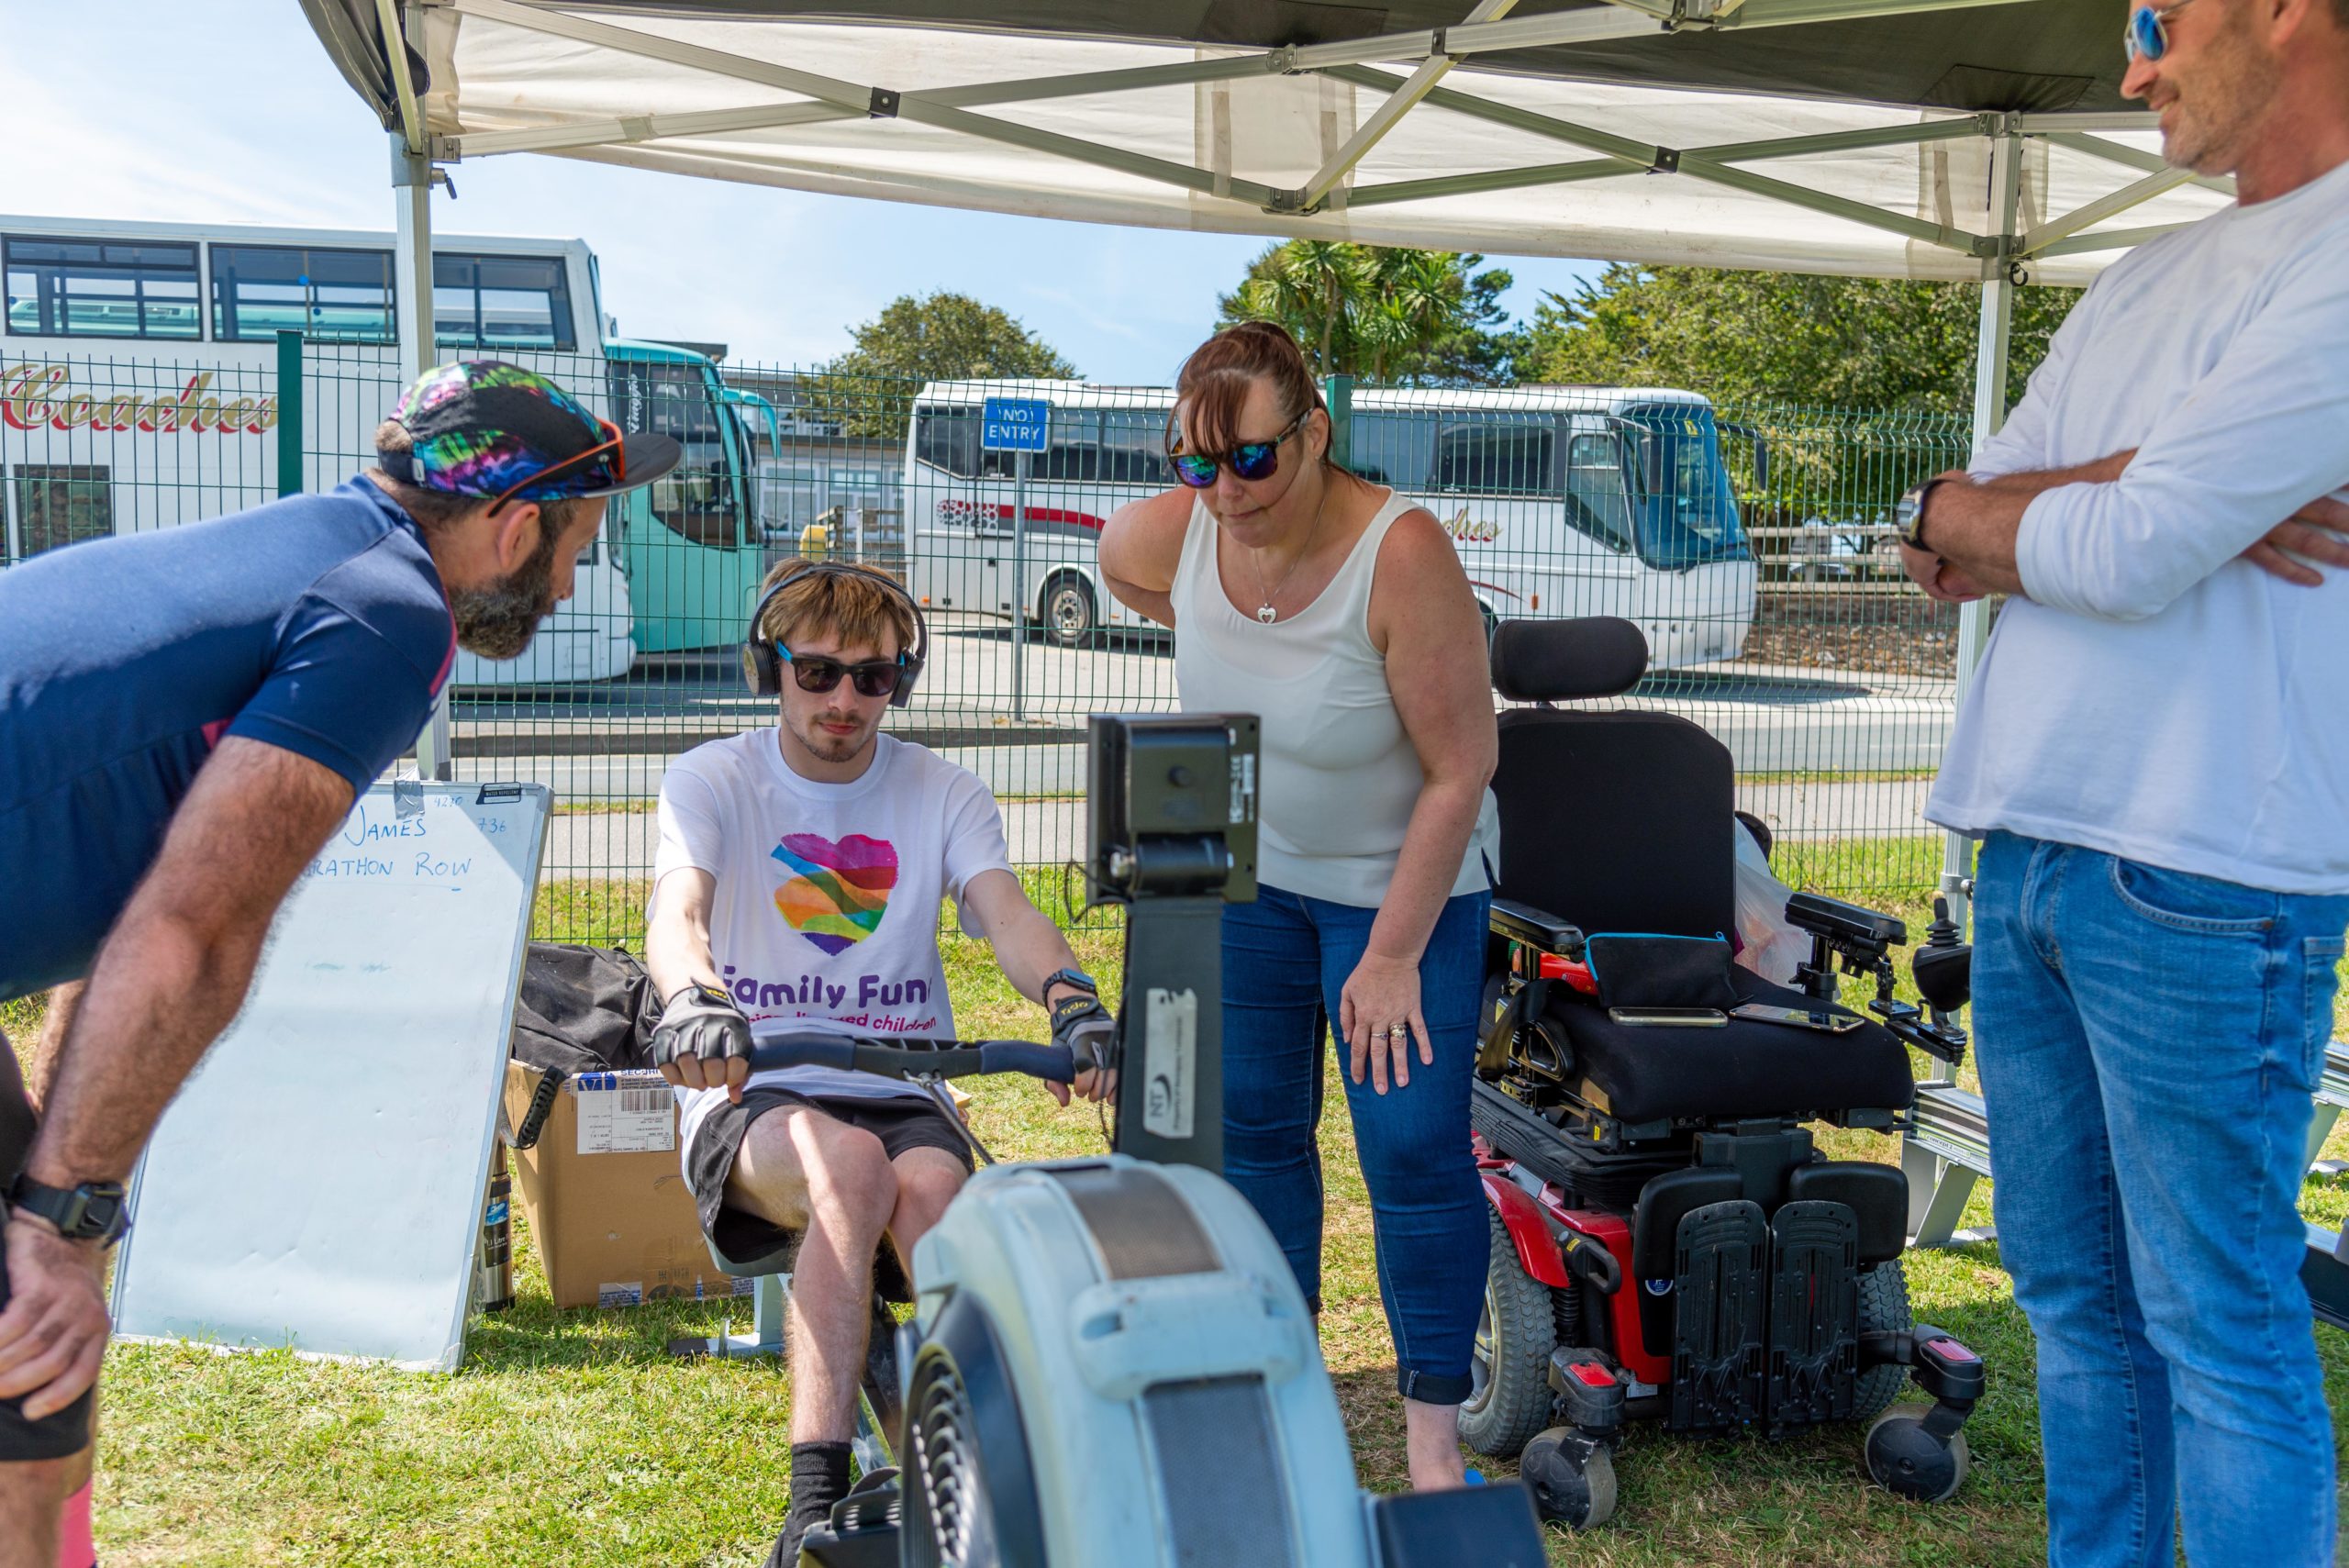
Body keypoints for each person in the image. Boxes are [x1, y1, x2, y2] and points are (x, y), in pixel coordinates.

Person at [0, 360, 681, 1566]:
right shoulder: (387, 612)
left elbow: (131, 907)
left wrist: (49, 1199)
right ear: (515, 524)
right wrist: (61, 1230)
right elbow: (195, 930)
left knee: (27, 1373)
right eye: (576, 545)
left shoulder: (304, 553)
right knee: (28, 1367)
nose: (571, 582)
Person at [1896, 2, 2349, 1561]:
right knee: (2076, 1304)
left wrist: (2099, 506)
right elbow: (1941, 533)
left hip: (2210, 868)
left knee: (2218, 1323)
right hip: (2030, 846)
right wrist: (2125, 485)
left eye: (2157, 18)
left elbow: (2131, 549)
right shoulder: (2144, 277)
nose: (2131, 67)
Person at [640, 558, 1113, 1567]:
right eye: (816, 672)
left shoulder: (942, 790)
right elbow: (678, 912)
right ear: (769, 667)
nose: (844, 700)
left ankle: (962, 1486)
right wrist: (693, 999)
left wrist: (1071, 999)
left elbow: (1005, 911)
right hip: (757, 1082)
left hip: (898, 1083)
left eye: (873, 677)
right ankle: (811, 1502)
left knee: (936, 1193)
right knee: (848, 1171)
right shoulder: (712, 778)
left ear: (902, 678)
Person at [1097, 322, 1499, 1491]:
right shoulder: (1189, 525)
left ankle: (1432, 1440)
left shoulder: (1402, 551)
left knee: (1410, 1148)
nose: (1226, 491)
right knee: (1256, 1140)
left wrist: (1392, 954)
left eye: (1252, 460)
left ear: (1315, 433)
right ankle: (1288, 1394)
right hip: (1253, 883)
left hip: (1401, 895)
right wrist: (1205, 599)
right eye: (1195, 462)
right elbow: (1122, 561)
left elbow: (1461, 768)